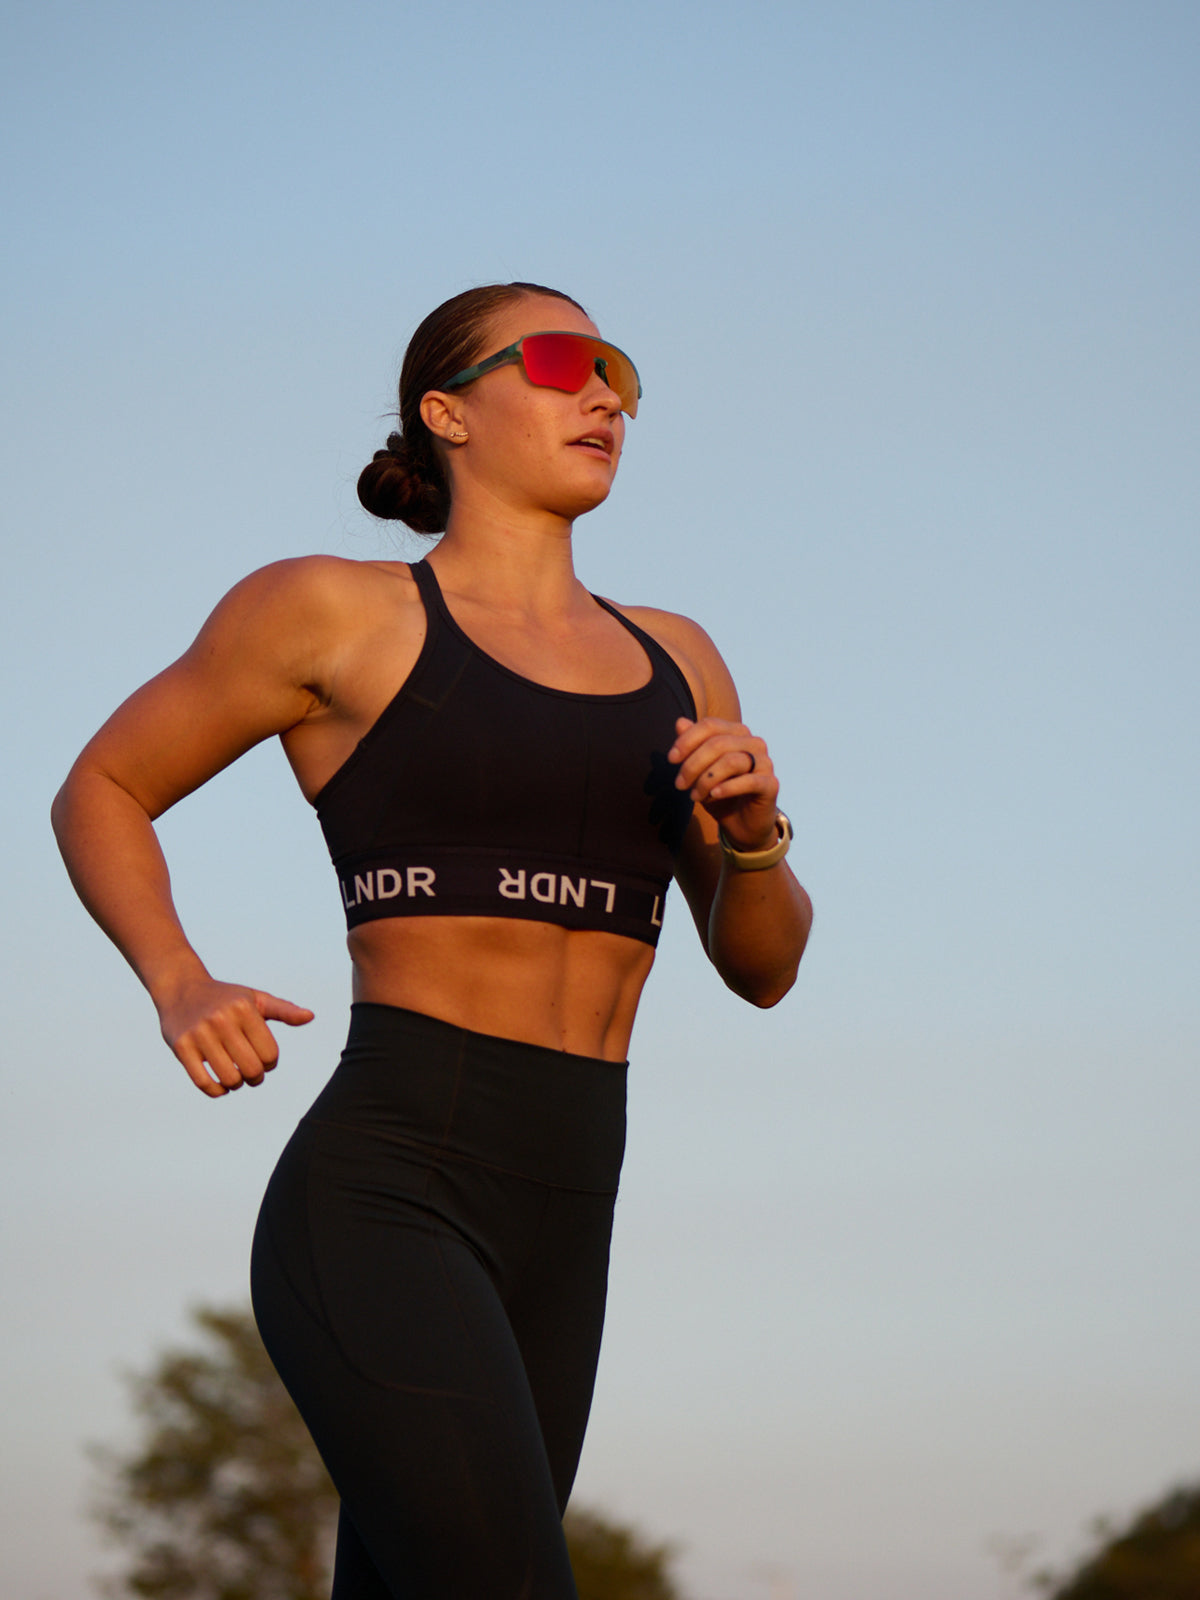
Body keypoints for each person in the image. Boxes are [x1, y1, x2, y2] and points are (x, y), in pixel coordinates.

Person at [52, 281, 812, 1599]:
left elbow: (762, 966)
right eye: (569, 362)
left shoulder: (681, 657)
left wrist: (753, 833)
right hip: (391, 1183)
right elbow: (101, 787)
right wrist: (178, 980)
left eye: (618, 372)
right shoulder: (334, 612)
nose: (607, 396)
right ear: (447, 412)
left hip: (572, 1203)